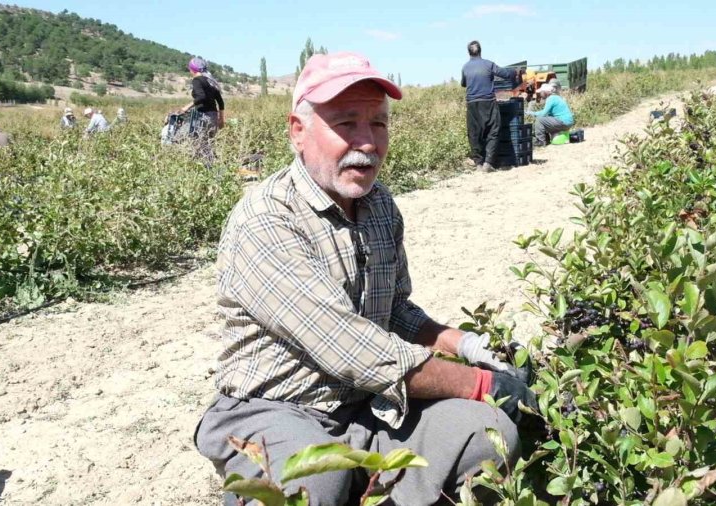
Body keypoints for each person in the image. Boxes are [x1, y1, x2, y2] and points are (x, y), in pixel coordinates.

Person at [194, 51, 544, 505]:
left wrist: (469, 346)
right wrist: (480, 384)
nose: (368, 142)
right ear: (297, 132)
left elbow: (396, 310)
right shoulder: (266, 220)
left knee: (486, 433)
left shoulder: (379, 205)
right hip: (276, 407)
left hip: (367, 405)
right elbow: (349, 347)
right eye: (346, 123)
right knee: (310, 485)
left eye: (378, 124)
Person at [461, 41, 520, 172]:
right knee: (493, 130)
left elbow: (463, 83)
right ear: (480, 51)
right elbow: (505, 74)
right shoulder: (488, 64)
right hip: (488, 102)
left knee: (474, 133)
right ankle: (488, 163)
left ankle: (478, 164)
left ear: (469, 53)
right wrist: (515, 73)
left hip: (472, 104)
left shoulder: (465, 67)